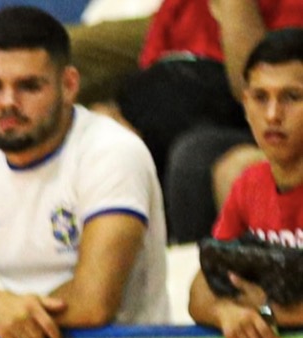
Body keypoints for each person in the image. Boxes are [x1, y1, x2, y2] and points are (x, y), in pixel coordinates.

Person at [0, 5, 169, 338]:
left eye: (28, 86)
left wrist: (10, 312)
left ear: (69, 85)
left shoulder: (112, 152)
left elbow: (92, 303)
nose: (8, 102)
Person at [116, 0, 303, 241]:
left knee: (193, 157)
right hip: (168, 110)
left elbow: (262, 84)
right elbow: (149, 70)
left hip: (233, 119)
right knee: (113, 144)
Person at [189, 27, 303, 338]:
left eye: (291, 97)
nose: (272, 115)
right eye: (260, 97)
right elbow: (200, 290)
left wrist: (266, 312)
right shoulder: (250, 185)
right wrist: (226, 311)